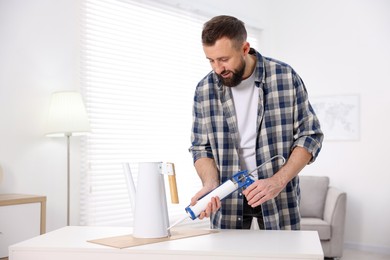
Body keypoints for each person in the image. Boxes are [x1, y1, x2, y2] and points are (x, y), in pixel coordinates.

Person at [189, 15, 323, 230]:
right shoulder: (204, 90)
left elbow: (310, 136)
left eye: (223, 59)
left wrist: (277, 182)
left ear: (244, 49)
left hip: (278, 196)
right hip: (227, 199)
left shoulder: (285, 77)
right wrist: (210, 185)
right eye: (211, 60)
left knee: (283, 253)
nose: (217, 69)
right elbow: (200, 147)